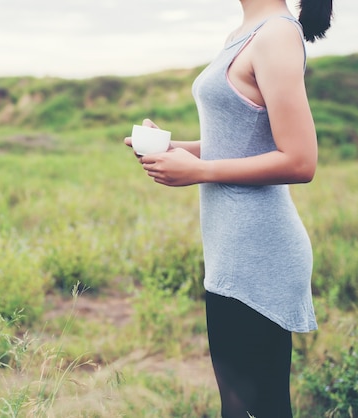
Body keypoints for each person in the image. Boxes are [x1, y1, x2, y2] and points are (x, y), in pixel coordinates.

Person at [124, 0, 333, 416]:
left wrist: (199, 171)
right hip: (229, 250)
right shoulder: (244, 32)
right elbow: (239, 142)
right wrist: (174, 150)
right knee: (237, 407)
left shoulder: (276, 34)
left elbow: (300, 159)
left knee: (260, 408)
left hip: (259, 251)